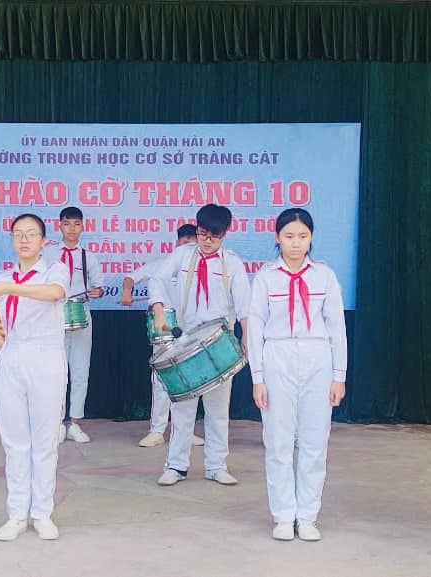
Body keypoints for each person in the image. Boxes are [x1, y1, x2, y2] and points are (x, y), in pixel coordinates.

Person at [248, 208, 347, 541]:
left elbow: (337, 327)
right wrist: (258, 378)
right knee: (278, 441)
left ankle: (307, 516)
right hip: (278, 356)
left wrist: (339, 374)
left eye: (302, 236)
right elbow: (255, 328)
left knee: (314, 441)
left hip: (318, 356)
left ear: (311, 238)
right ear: (277, 237)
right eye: (289, 236)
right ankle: (282, 514)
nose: (295, 243)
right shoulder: (265, 277)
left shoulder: (324, 276)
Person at [148, 204, 250, 487]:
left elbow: (245, 305)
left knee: (218, 411)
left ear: (225, 234)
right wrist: (159, 309)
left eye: (214, 237)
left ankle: (216, 466)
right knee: (182, 409)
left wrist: (246, 337)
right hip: (186, 339)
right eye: (202, 234)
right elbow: (157, 278)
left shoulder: (233, 263)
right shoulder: (182, 255)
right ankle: (176, 466)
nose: (207, 241)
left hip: (220, 340)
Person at [0, 213, 69, 541]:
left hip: (45, 356)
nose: (24, 240)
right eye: (18, 234)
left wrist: (10, 288)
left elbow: (54, 293)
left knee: (44, 440)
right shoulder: (1, 278)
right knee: (14, 440)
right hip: (11, 357)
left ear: (43, 241)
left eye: (31, 234)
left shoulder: (54, 270)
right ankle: (17, 513)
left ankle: (42, 512)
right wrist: (2, 333)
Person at [120, 224, 204, 448]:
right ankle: (157, 430)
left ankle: (184, 431)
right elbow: (130, 277)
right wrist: (127, 291)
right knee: (161, 380)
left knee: (189, 379)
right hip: (165, 327)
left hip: (191, 329)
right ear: (177, 244)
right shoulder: (161, 265)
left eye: (192, 245)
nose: (187, 249)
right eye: (184, 243)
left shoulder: (201, 269)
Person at [42, 207, 104, 443]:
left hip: (81, 313)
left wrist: (97, 291)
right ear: (59, 225)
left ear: (83, 227)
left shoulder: (89, 256)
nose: (71, 229)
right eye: (67, 224)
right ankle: (57, 423)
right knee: (56, 370)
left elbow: (98, 286)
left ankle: (75, 423)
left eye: (76, 224)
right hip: (54, 313)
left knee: (80, 370)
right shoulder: (48, 253)